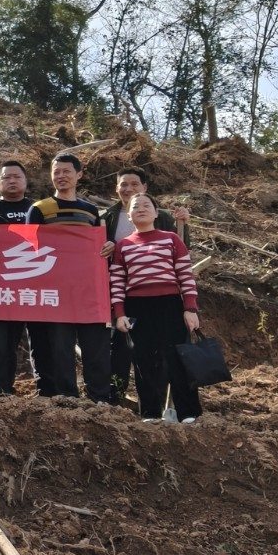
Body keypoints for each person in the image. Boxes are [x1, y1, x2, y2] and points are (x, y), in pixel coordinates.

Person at [26, 152, 114, 404]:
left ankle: (99, 398)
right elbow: (31, 247)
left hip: (88, 289)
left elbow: (99, 246)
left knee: (95, 346)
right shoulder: (39, 209)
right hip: (55, 289)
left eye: (66, 171)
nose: (61, 176)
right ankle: (68, 398)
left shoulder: (90, 211)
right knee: (60, 348)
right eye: (56, 172)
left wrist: (110, 246)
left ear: (79, 175)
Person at [111, 195, 203, 423]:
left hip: (170, 303)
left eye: (146, 206)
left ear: (155, 214)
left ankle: (188, 412)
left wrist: (190, 308)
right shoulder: (123, 246)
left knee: (178, 358)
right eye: (135, 207)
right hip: (137, 307)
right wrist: (120, 314)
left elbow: (185, 275)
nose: (141, 210)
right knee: (143, 361)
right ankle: (150, 413)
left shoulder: (171, 239)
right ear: (129, 216)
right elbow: (117, 283)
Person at [102, 167, 191, 398]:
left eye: (134, 184)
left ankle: (160, 401)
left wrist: (185, 224)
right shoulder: (106, 217)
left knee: (160, 351)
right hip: (121, 292)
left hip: (160, 295)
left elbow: (180, 252)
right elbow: (98, 252)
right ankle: (117, 396)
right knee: (121, 347)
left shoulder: (161, 217)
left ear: (145, 188)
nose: (128, 189)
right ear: (116, 188)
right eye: (123, 184)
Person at [0, 160, 42, 396]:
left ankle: (45, 389)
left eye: (17, 176)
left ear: (26, 182)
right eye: (6, 177)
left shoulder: (38, 209)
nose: (12, 180)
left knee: (39, 340)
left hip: (36, 284)